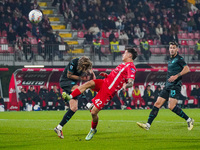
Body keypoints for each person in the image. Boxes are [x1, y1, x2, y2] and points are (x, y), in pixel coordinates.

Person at [65, 48, 137, 140]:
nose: (123, 54)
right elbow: (116, 78)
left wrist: (126, 86)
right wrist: (107, 75)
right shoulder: (122, 65)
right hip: (105, 82)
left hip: (108, 91)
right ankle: (70, 96)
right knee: (88, 83)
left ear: (130, 55)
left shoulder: (131, 67)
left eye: (125, 53)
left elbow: (131, 82)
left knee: (93, 112)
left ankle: (93, 129)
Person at [137, 41, 194, 131]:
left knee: (171, 106)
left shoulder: (179, 58)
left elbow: (187, 69)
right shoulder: (170, 59)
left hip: (175, 85)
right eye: (170, 48)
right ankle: (148, 125)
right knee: (157, 104)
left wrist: (176, 76)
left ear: (177, 49)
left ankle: (189, 120)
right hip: (168, 86)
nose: (172, 49)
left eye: (173, 48)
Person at [54, 56, 95, 139]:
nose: (84, 70)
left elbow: (91, 73)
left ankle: (59, 127)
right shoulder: (74, 62)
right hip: (65, 82)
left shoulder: (86, 65)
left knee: (74, 108)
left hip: (72, 84)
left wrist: (92, 76)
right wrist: (81, 78)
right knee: (78, 88)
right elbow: (69, 75)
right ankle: (87, 104)